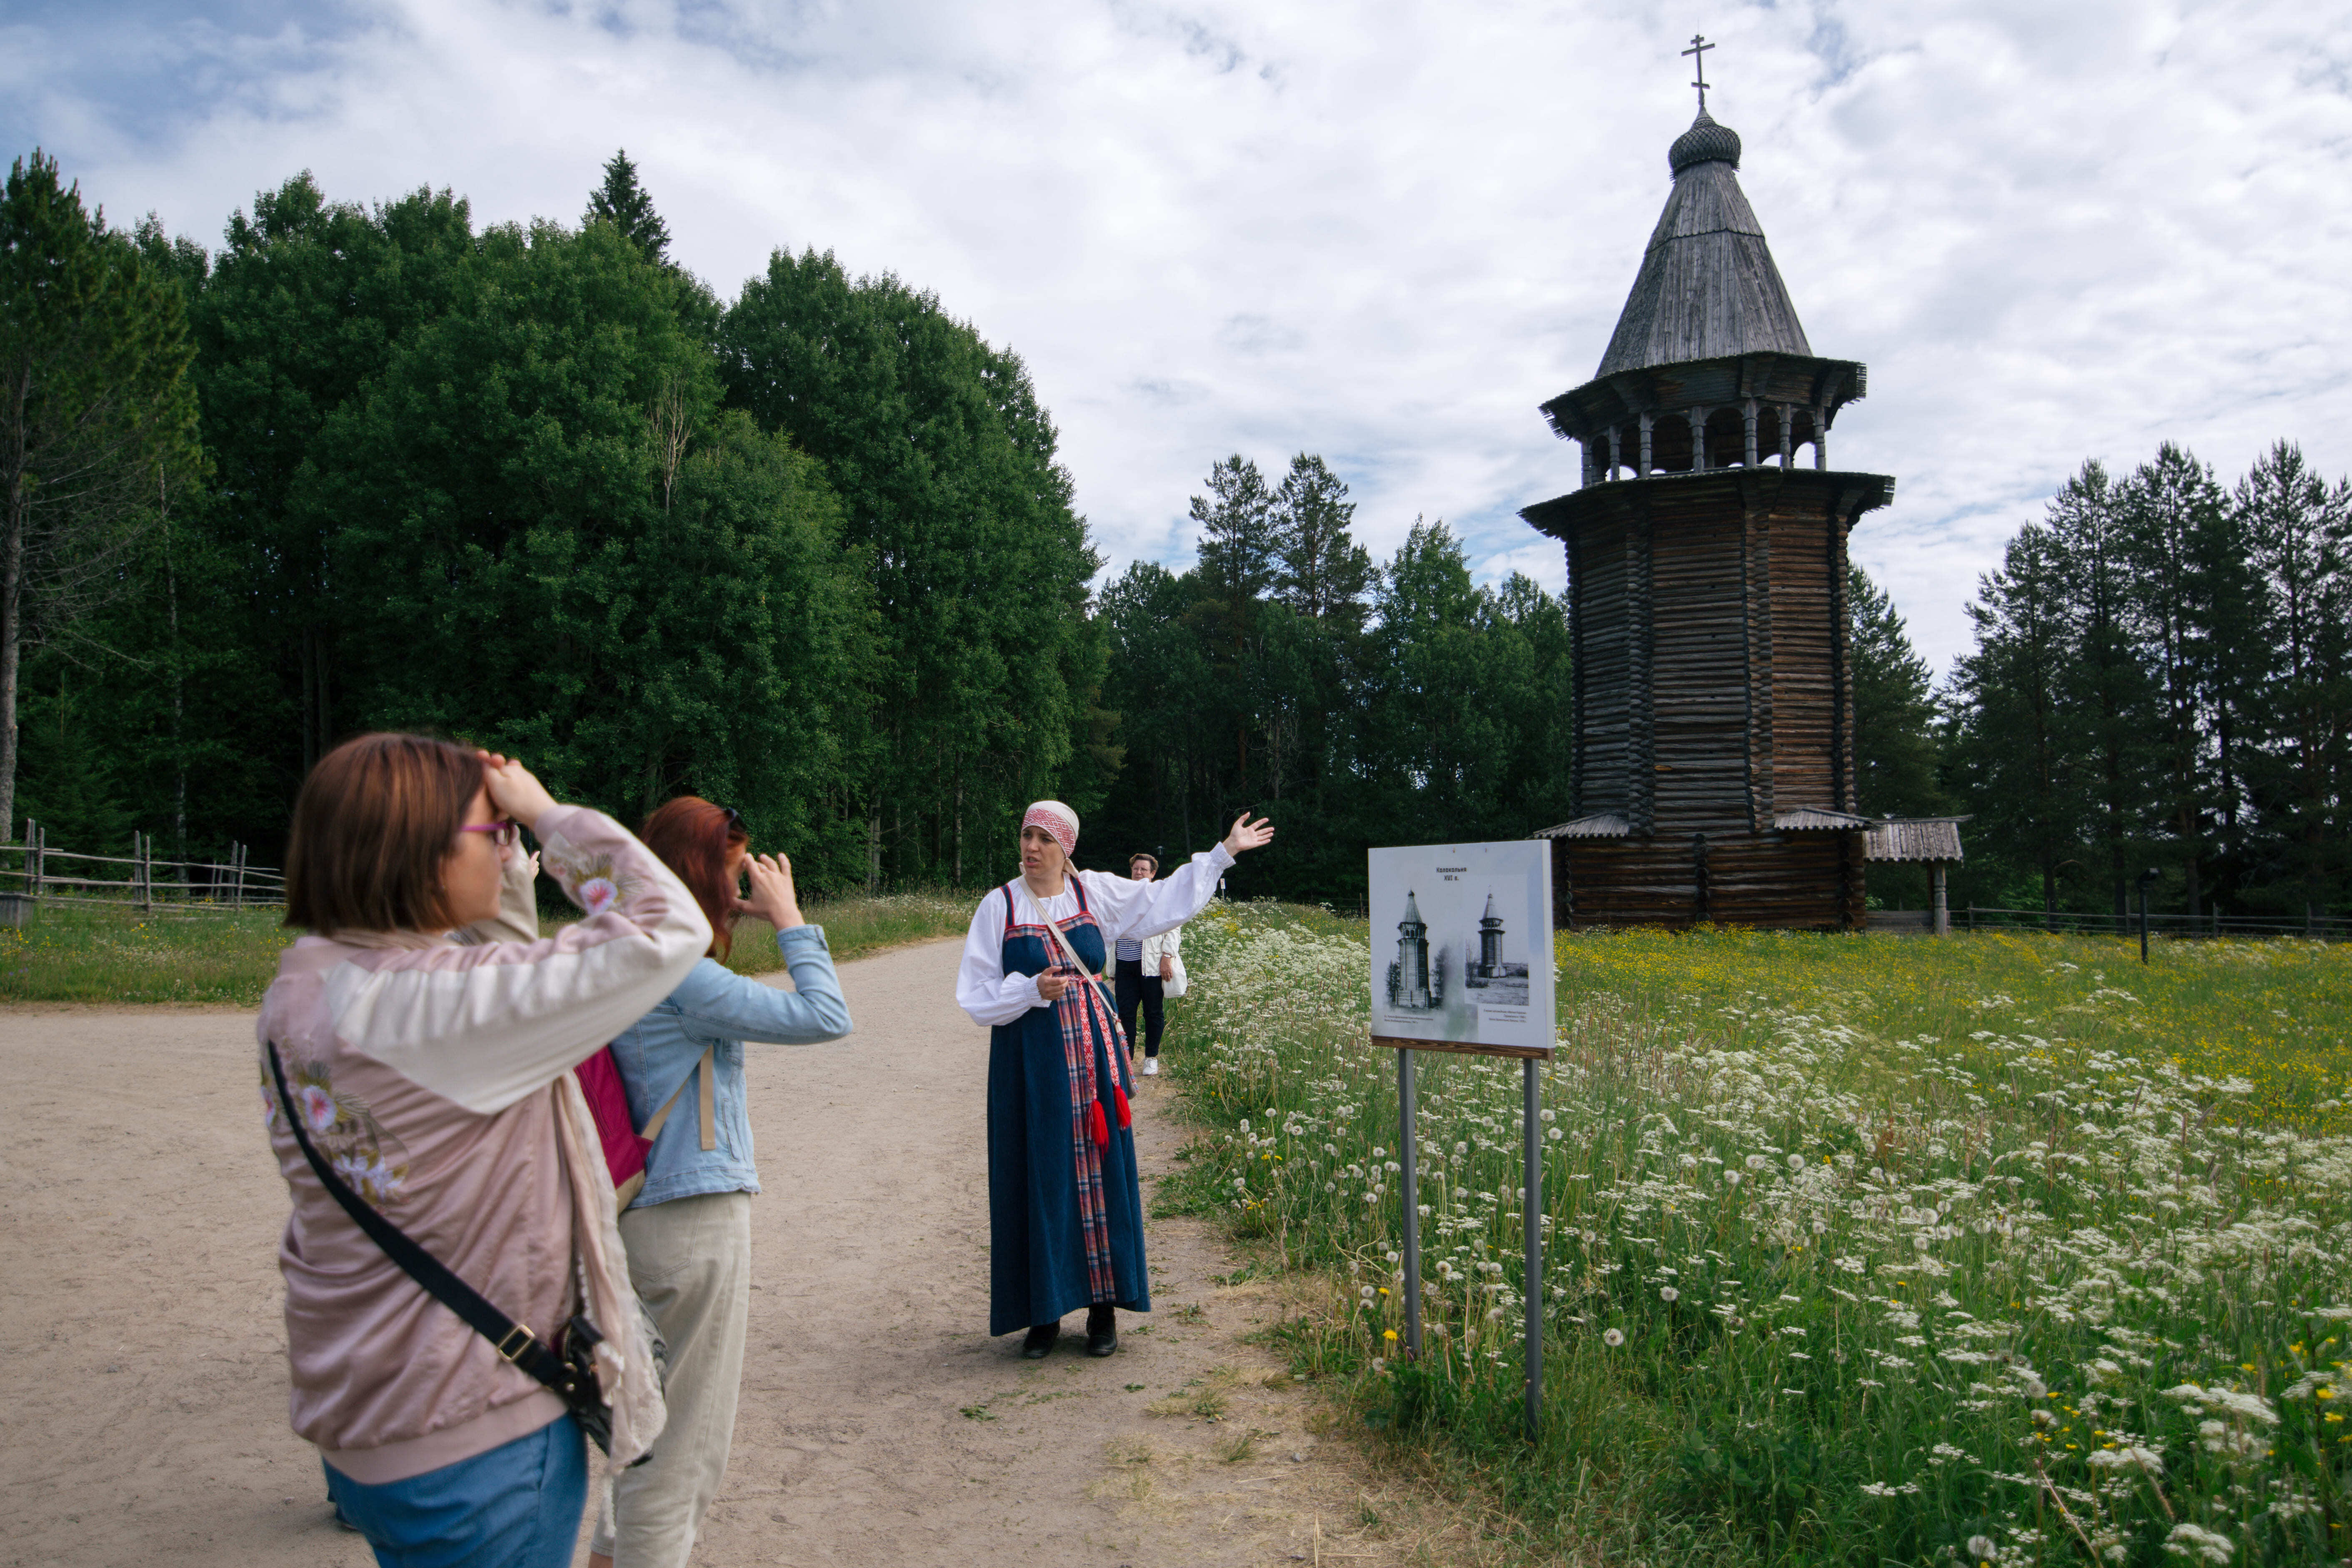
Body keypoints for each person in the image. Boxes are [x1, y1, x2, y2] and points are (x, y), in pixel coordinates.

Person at [258, 734, 711, 1568]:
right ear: (422, 857)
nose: (511, 847)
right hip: (474, 1440)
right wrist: (545, 813)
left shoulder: (304, 987)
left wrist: (498, 845)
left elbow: (499, 963)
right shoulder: (433, 1011)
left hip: (371, 1416)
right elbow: (667, 926)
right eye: (492, 832)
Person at [587, 798, 853, 1568]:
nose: (743, 883)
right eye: (732, 869)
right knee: (682, 1456)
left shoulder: (615, 951)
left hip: (634, 1209)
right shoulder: (681, 973)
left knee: (639, 1431)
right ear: (697, 874)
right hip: (694, 1218)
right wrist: (791, 918)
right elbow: (824, 1014)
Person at [955, 801, 1272, 1358]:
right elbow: (976, 994)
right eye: (1025, 837)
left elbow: (1163, 899)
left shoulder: (1094, 892)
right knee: (1041, 1174)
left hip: (1094, 1059)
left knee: (1098, 1172)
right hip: (1029, 1063)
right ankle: (1043, 1313)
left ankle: (1103, 1311)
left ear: (1065, 848)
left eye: (1043, 839)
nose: (1031, 848)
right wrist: (1030, 991)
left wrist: (1223, 854)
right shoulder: (998, 904)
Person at [1112, 852, 1181, 1077]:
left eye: (1144, 870)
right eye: (1136, 869)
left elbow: (1173, 927)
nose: (1139, 872)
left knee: (1153, 1013)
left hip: (1150, 965)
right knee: (1125, 1014)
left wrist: (1167, 957)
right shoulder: (1122, 896)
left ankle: (1151, 1057)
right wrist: (1110, 967)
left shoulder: (1160, 897)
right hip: (1124, 964)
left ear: (1153, 874)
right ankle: (1127, 1059)